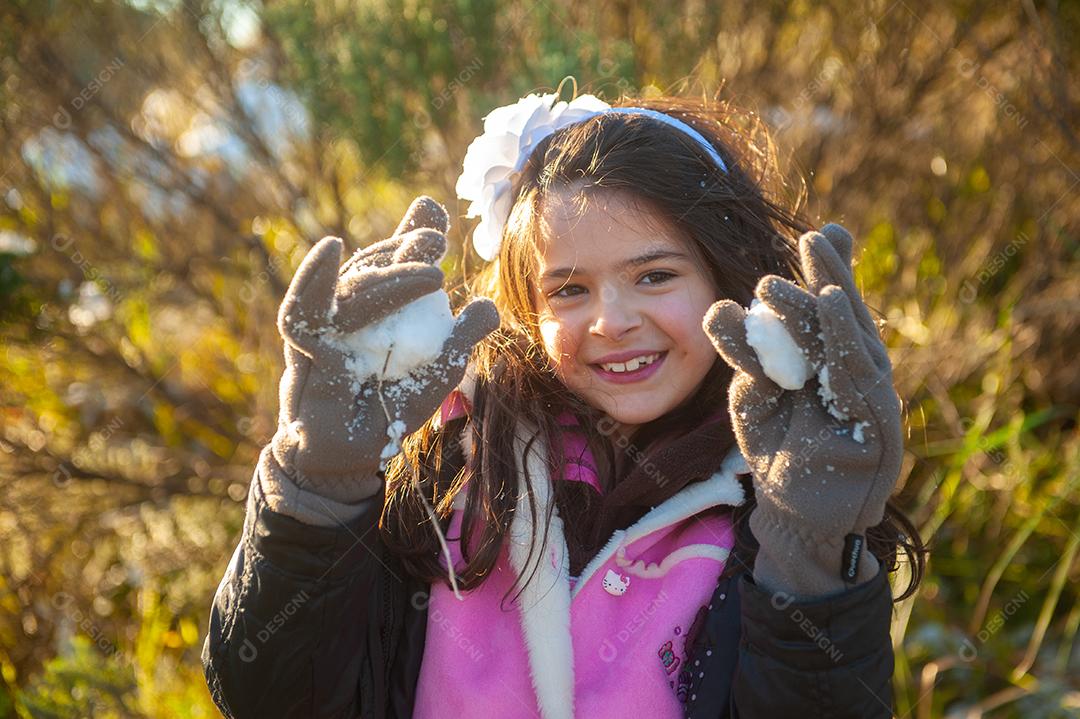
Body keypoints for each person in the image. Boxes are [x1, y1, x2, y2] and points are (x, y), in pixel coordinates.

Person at [202, 85, 925, 718]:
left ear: (725, 274)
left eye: (654, 275)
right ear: (525, 309)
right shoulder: (452, 467)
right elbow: (272, 695)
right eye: (569, 290)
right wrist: (318, 484)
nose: (611, 320)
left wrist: (809, 548)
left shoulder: (771, 500)